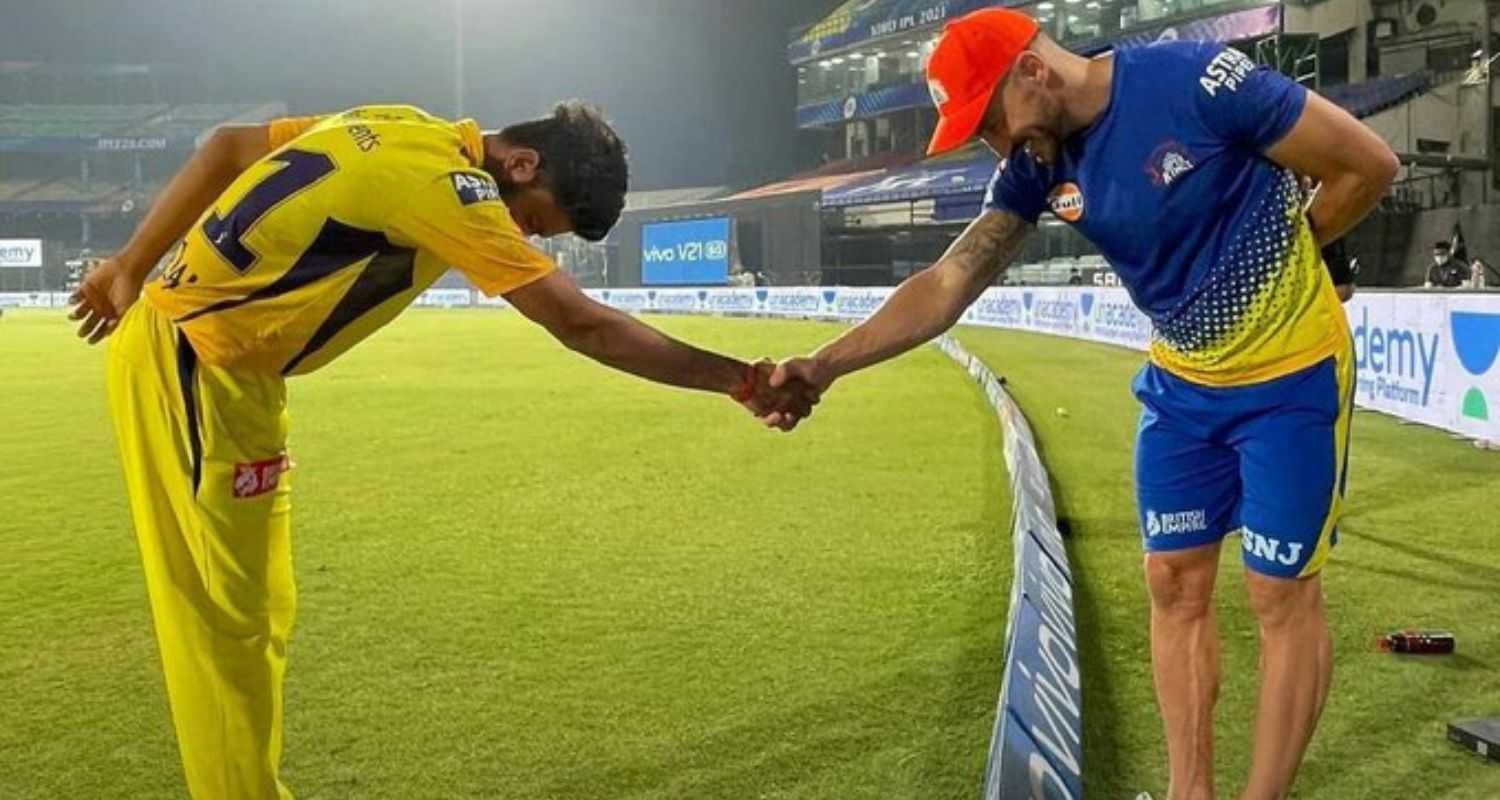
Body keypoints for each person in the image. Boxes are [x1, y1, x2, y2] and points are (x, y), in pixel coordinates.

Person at [68, 103, 813, 800]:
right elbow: (583, 325)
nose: (515, 236)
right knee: (225, 622)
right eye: (529, 220)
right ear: (520, 164)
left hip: (231, 376)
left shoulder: (401, 123)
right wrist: (742, 381)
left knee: (261, 610)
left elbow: (230, 145)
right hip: (196, 364)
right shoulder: (452, 188)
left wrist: (132, 263)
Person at [764, 9, 1397, 799]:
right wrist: (824, 367)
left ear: (1034, 71)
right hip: (1183, 389)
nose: (996, 145)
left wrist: (1285, 253)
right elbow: (950, 282)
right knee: (1172, 582)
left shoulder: (1196, 81)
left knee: (1278, 591)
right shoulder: (1036, 162)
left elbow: (1368, 165)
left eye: (991, 120)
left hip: (1291, 377)